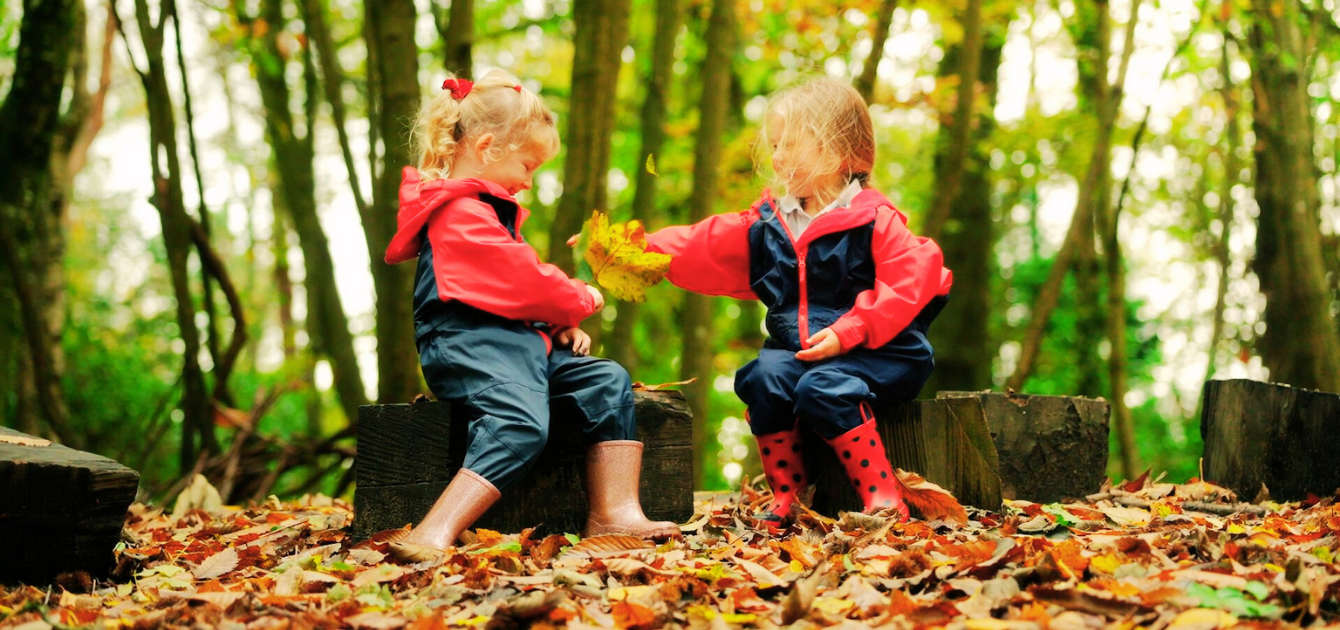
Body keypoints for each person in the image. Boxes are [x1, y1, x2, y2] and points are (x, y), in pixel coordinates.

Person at [383, 70, 678, 557]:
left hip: (514, 346)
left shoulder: (486, 211)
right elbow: (519, 278)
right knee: (519, 421)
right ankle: (434, 529)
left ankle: (614, 512)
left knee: (605, 382)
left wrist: (555, 325)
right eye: (527, 164)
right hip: (469, 346)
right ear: (487, 146)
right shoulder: (459, 213)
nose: (529, 179)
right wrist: (577, 297)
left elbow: (505, 293)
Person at [645, 77, 952, 530]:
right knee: (763, 378)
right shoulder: (771, 222)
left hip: (879, 350)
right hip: (800, 351)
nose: (778, 157)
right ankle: (788, 493)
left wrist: (850, 330)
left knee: (821, 389)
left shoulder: (874, 219)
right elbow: (703, 244)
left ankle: (882, 496)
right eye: (774, 145)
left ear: (837, 151)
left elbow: (911, 279)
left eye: (790, 145)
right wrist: (637, 250)